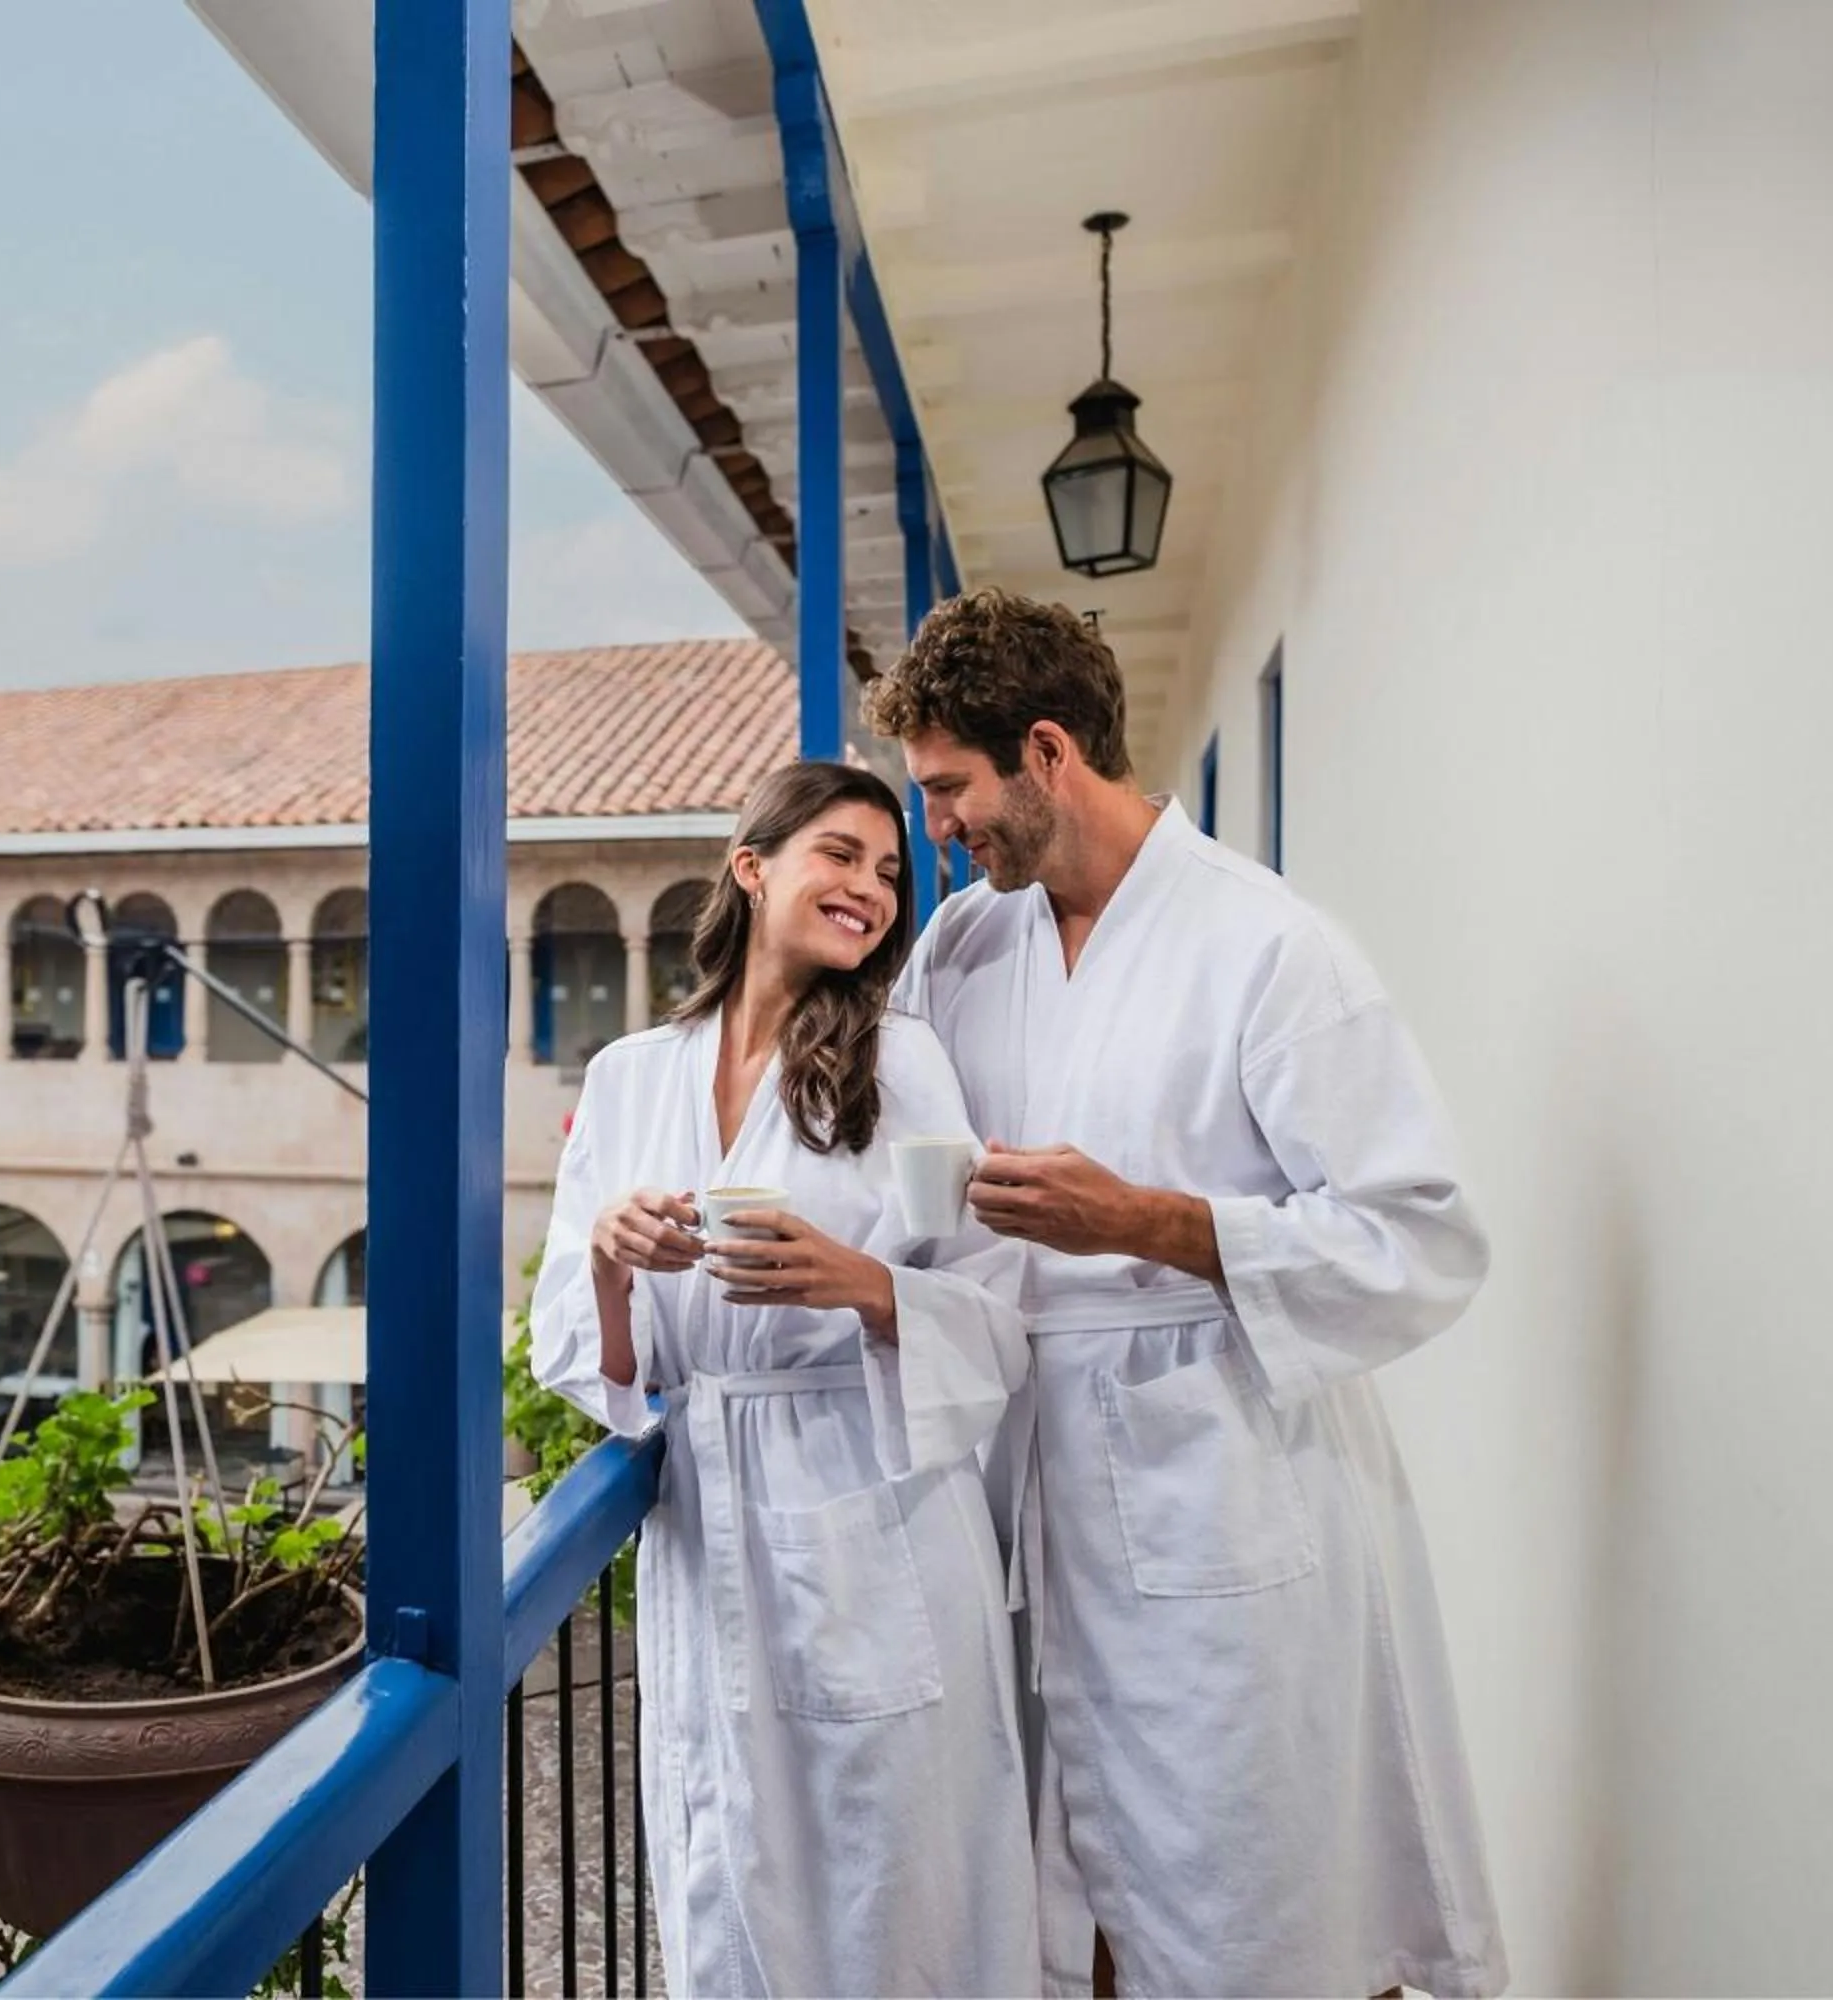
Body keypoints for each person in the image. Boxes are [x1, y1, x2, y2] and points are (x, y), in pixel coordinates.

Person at [865, 589, 1508, 2000]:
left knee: (1254, 1880)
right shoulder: (967, 950)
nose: (936, 833)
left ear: (1045, 751)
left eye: (949, 791)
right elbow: (864, 1124)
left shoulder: (1269, 949)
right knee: (1058, 1882)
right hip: (1029, 1477)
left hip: (1219, 1480)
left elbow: (1424, 1238)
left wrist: (1152, 1223)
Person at [529, 760, 1040, 1998]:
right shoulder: (628, 1076)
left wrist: (856, 1280)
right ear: (752, 866)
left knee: (889, 1867)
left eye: (887, 869)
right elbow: (593, 1358)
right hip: (708, 1518)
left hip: (871, 1506)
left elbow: (998, 1305)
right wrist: (612, 1254)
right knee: (722, 1855)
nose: (869, 885)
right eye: (839, 853)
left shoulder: (900, 1060)